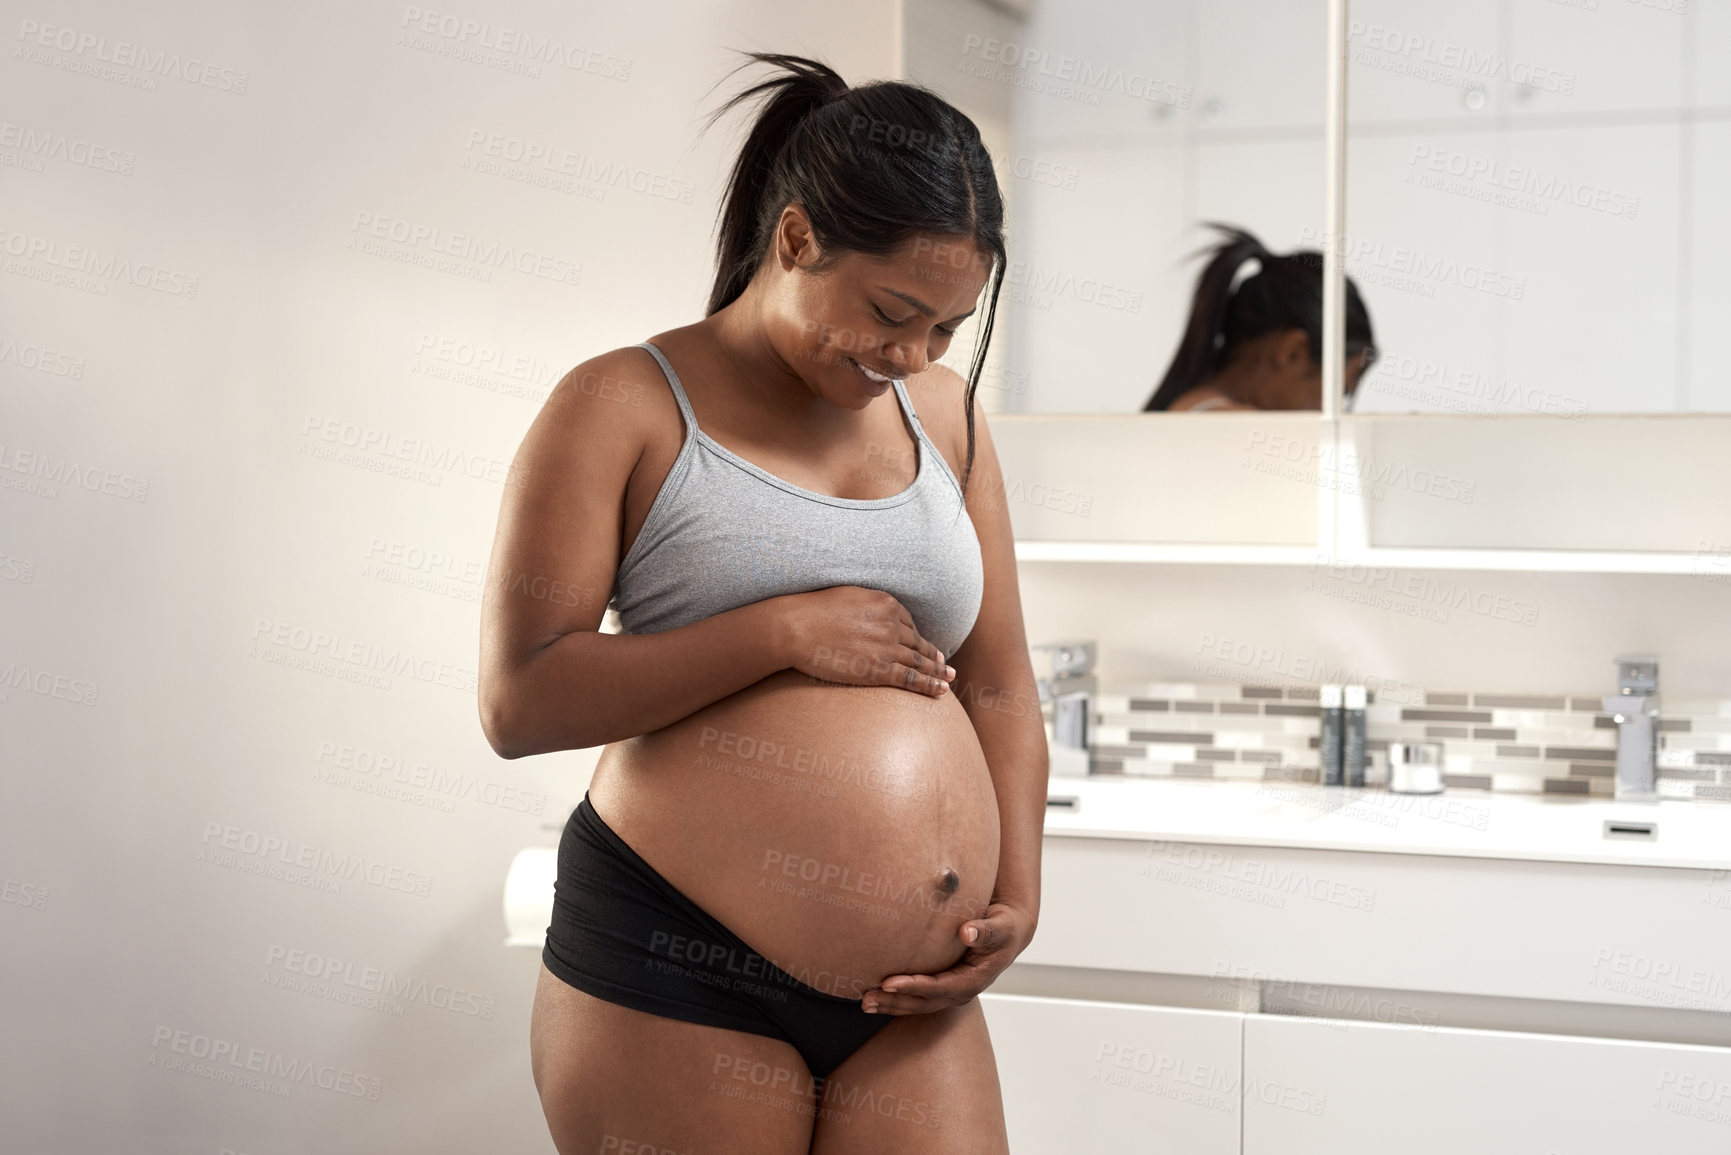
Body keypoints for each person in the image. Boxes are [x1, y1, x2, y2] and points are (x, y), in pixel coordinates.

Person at [478, 53, 1046, 1154]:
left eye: (944, 326)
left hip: (913, 994)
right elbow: (522, 697)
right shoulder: (622, 404)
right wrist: (781, 632)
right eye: (892, 313)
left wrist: (1015, 893)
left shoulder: (949, 420)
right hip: (680, 960)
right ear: (794, 241)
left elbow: (1000, 681)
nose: (913, 355)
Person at [1143, 223, 1377, 412]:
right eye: (1340, 392)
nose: (1336, 413)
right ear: (1293, 353)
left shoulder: (1196, 410)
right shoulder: (1235, 426)